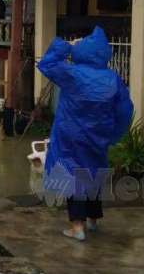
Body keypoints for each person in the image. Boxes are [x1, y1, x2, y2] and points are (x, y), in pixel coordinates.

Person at [37, 26, 133, 241]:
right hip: (98, 136)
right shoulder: (112, 79)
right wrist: (114, 134)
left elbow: (47, 64)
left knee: (73, 176)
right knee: (92, 174)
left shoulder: (73, 74)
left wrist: (65, 46)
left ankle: (77, 227)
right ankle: (92, 220)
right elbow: (125, 109)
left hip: (70, 135)